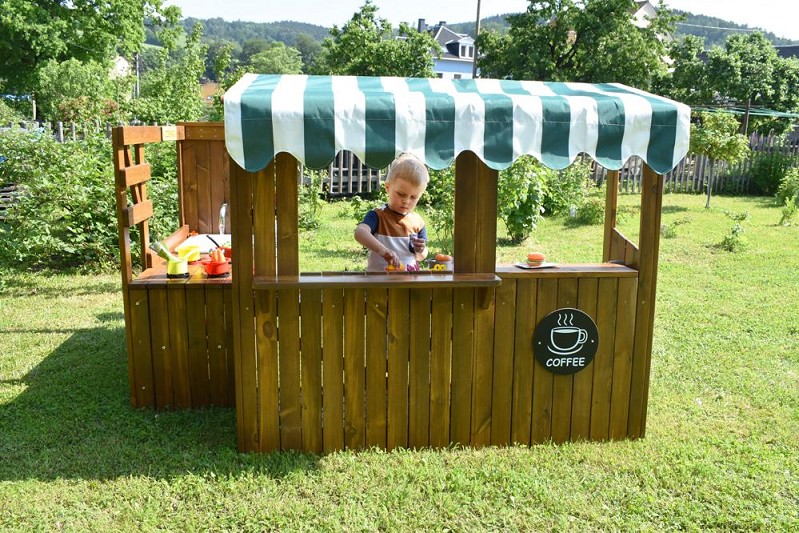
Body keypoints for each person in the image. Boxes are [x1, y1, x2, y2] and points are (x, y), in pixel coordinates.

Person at [354, 153, 429, 272]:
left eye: (413, 197)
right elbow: (360, 232)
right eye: (401, 194)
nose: (406, 201)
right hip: (380, 283)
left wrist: (421, 250)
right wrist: (382, 250)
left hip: (408, 283)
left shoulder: (418, 222)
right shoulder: (378, 215)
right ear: (388, 188)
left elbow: (421, 257)